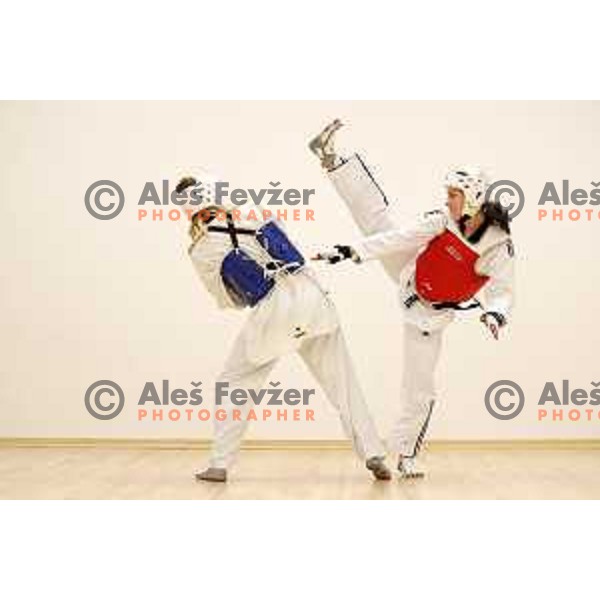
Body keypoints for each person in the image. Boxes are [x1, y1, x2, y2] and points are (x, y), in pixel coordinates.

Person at [309, 121, 515, 478]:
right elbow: (398, 239)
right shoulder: (443, 221)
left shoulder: (497, 243)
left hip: (427, 318)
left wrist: (495, 314)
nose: (446, 199)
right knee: (380, 223)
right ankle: (332, 161)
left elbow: (503, 288)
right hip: (410, 275)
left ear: (472, 196)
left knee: (418, 388)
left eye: (453, 194)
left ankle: (406, 455)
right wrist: (350, 252)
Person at [176, 176, 392, 482]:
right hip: (312, 296)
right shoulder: (255, 211)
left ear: (187, 210)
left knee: (235, 381)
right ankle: (373, 453)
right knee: (343, 382)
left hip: (274, 312)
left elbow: (233, 300)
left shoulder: (200, 249)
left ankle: (219, 464)